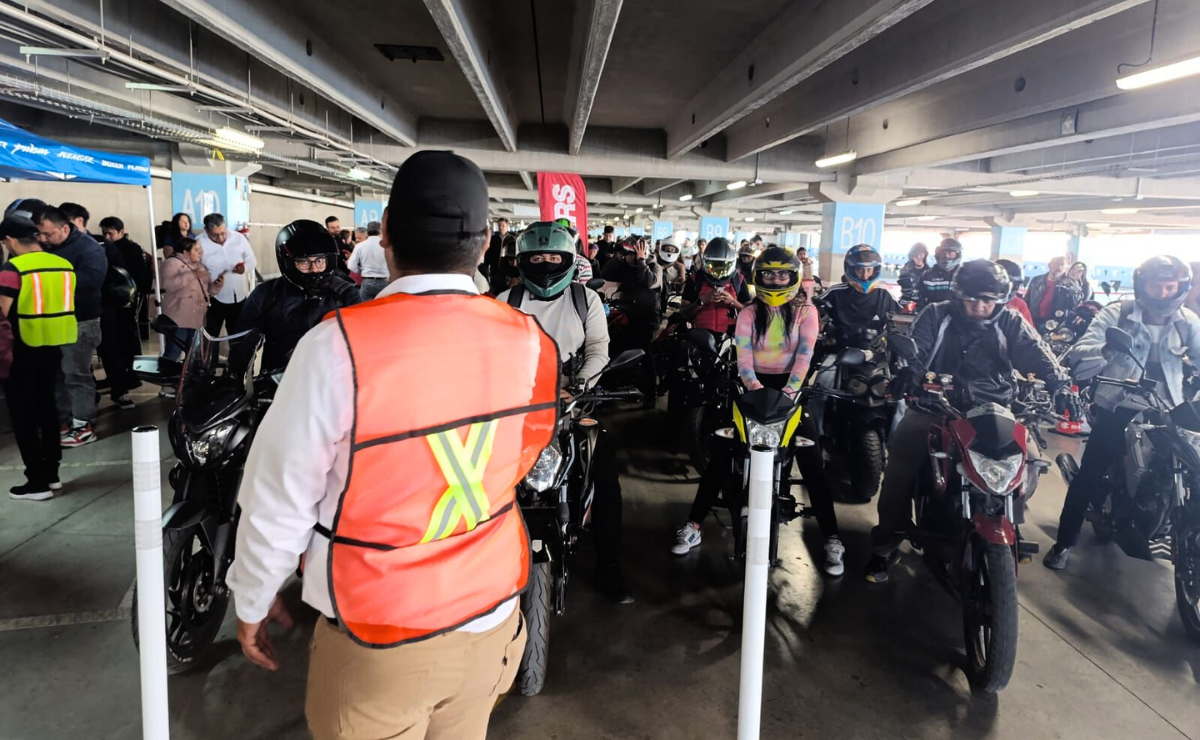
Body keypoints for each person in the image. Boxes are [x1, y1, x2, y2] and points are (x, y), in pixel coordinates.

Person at [226, 151, 553, 740]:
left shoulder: (337, 348)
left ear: (384, 236)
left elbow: (279, 499)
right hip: (494, 619)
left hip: (379, 635)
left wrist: (252, 598)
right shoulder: (530, 340)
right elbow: (521, 460)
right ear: (485, 245)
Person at [865, 260, 1079, 582]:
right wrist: (909, 371)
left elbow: (1038, 353)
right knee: (899, 471)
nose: (980, 306)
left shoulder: (1010, 321)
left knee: (1032, 464)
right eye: (973, 299)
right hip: (935, 406)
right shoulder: (936, 315)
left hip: (995, 409)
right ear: (958, 295)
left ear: (1000, 299)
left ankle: (1008, 521)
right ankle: (885, 545)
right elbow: (916, 349)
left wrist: (1060, 385)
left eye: (988, 300)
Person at [671, 247, 845, 575]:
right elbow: (744, 356)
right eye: (769, 274)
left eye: (782, 274)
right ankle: (694, 524)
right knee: (721, 454)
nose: (775, 280)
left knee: (812, 463)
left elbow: (804, 356)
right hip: (751, 390)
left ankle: (832, 538)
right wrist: (754, 388)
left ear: (793, 277)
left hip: (791, 393)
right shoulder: (749, 312)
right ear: (758, 276)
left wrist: (789, 393)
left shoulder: (807, 312)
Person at [497, 221, 631, 603]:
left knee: (604, 473)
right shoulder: (505, 300)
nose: (545, 264)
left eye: (554, 258)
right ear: (522, 261)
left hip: (573, 403)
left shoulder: (585, 299)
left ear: (568, 260)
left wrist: (579, 385)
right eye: (537, 257)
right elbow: (494, 353)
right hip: (518, 408)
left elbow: (598, 348)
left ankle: (609, 565)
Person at [1045, 256, 1200, 570]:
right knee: (1090, 473)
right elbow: (1081, 350)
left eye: (1170, 287)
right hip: (1119, 402)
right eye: (1156, 286)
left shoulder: (1188, 321)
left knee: (1191, 467)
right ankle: (1064, 544)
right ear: (1143, 286)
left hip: (1167, 406)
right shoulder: (1119, 313)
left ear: (1180, 288)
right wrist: (1106, 350)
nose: (1163, 293)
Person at [0, 212, 73, 499]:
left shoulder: (13, 268)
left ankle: (36, 482)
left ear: (10, 240)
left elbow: (2, 312)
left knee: (23, 416)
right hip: (53, 345)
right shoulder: (62, 264)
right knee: (47, 409)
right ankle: (52, 475)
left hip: (20, 349)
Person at [230, 221, 360, 375]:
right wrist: (238, 379)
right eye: (304, 262)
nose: (314, 269)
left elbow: (360, 343)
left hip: (332, 378)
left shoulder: (345, 293)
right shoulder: (266, 293)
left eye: (320, 261)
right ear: (288, 263)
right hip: (278, 379)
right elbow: (243, 343)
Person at [32, 205, 106, 447]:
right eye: (39, 234)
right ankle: (61, 421)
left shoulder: (88, 248)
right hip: (53, 320)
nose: (43, 239)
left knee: (76, 374)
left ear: (65, 228)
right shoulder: (47, 247)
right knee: (57, 374)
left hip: (81, 321)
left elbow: (93, 279)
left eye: (48, 234)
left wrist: (54, 277)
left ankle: (84, 425)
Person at [97, 216, 151, 410]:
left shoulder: (130, 249)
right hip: (115, 300)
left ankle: (133, 373)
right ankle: (122, 375)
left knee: (127, 339)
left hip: (125, 300)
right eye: (104, 233)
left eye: (110, 233)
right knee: (118, 341)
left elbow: (137, 274)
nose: (107, 236)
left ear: (121, 231)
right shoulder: (106, 247)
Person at [601, 236, 662, 405]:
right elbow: (605, 274)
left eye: (631, 254)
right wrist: (617, 256)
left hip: (647, 317)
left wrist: (641, 260)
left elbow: (650, 282)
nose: (628, 257)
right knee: (615, 345)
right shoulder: (625, 266)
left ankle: (651, 393)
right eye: (627, 254)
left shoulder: (654, 267)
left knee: (644, 351)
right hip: (627, 315)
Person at [815, 244, 898, 346]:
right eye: (860, 270)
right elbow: (812, 307)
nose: (865, 275)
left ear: (875, 270)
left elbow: (901, 318)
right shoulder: (834, 292)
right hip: (839, 348)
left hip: (874, 350)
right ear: (851, 269)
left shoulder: (884, 294)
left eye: (869, 270)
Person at [158, 237, 219, 370]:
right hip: (178, 319)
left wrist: (217, 285)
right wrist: (191, 275)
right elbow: (169, 285)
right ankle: (166, 377)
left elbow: (207, 291)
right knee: (173, 351)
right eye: (196, 250)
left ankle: (187, 379)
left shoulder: (200, 267)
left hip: (197, 318)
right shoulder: (171, 263)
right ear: (186, 252)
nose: (200, 253)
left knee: (193, 354)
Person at [198, 212, 256, 337]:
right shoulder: (198, 244)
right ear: (206, 230)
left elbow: (252, 260)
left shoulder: (239, 238)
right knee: (210, 337)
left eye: (222, 233)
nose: (220, 238)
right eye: (215, 235)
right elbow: (193, 270)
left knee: (237, 336)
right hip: (213, 299)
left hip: (238, 297)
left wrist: (244, 268)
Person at [1026, 256, 1082, 331]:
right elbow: (1026, 301)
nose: (1059, 266)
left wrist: (1073, 286)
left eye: (1062, 264)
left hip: (1056, 325)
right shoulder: (1036, 280)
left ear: (1066, 268)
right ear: (1049, 265)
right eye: (1056, 263)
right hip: (1033, 322)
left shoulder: (1071, 284)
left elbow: (1076, 305)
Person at [347, 221, 390, 301]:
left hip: (367, 281)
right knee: (384, 306)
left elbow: (351, 265)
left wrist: (361, 272)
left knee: (365, 307)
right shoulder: (387, 246)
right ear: (381, 231)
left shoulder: (359, 246)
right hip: (385, 281)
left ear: (367, 232)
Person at [916, 238, 962, 308]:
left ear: (957, 255)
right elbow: (919, 300)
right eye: (943, 253)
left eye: (950, 253)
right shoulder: (926, 276)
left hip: (958, 314)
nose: (946, 256)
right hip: (933, 314)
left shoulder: (965, 276)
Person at [996, 258, 1034, 327]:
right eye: (1011, 284)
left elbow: (1029, 331)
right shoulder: (979, 302)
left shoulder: (1018, 303)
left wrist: (1015, 318)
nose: (1016, 288)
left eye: (1017, 284)